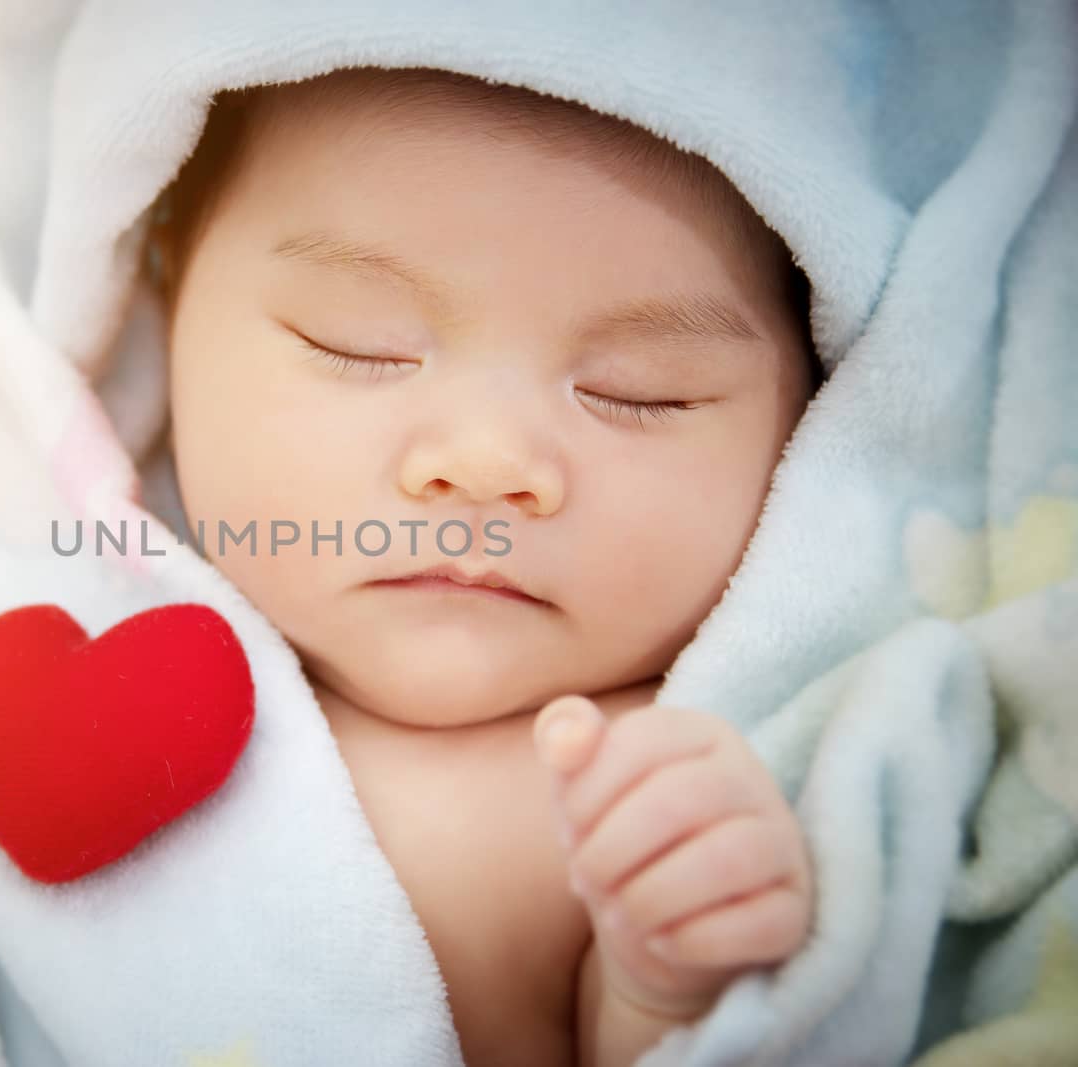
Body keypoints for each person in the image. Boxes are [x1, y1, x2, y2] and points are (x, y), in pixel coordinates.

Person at [145, 66, 822, 1066]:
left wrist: (660, 980)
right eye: (359, 344)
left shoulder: (667, 777)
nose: (486, 464)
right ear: (160, 312)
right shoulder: (69, 623)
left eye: (638, 393)